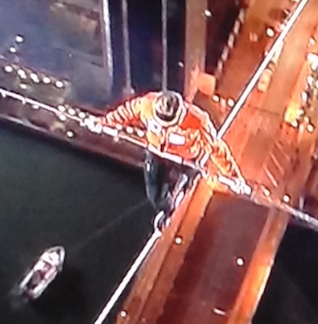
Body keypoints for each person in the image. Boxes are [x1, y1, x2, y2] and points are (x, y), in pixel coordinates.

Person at [84, 91, 249, 224]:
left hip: (187, 158)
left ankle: (182, 188)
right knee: (153, 192)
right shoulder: (146, 103)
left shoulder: (199, 122)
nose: (162, 127)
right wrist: (104, 123)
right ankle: (166, 207)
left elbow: (217, 149)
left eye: (167, 126)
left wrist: (234, 177)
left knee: (185, 179)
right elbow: (126, 112)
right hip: (157, 151)